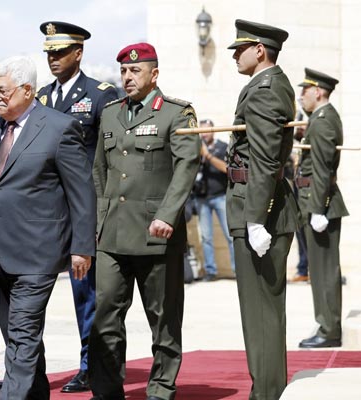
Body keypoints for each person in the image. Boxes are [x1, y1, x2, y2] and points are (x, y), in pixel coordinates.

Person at [0, 55, 95, 400]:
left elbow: (82, 193)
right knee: (16, 335)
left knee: (23, 334)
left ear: (27, 90)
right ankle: (36, 392)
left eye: (3, 91)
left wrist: (82, 247)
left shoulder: (59, 128)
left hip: (39, 251)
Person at [89, 43, 200, 400]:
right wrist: (98, 220)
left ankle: (160, 389)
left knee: (163, 318)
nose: (127, 77)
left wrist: (168, 215)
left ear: (154, 74)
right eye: (123, 71)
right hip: (113, 234)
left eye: (135, 71)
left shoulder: (176, 113)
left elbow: (186, 167)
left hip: (157, 233)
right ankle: (106, 390)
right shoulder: (110, 114)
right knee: (105, 314)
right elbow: (99, 171)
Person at [36, 20, 118, 394]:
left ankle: (90, 366)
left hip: (81, 209)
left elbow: (110, 157)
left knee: (86, 295)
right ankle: (27, 366)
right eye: (49, 53)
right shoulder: (40, 98)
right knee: (28, 292)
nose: (53, 59)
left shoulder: (100, 95)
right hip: (43, 212)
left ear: (78, 53)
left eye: (60, 52)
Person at [226, 20, 299, 400]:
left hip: (259, 210)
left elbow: (266, 160)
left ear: (260, 50)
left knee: (261, 312)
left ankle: (267, 393)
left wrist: (254, 219)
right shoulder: (266, 86)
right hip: (256, 205)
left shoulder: (265, 90)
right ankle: (267, 389)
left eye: (240, 49)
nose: (234, 55)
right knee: (261, 310)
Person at [295, 68, 348, 348]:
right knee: (319, 269)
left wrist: (317, 209)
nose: (301, 95)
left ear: (318, 92)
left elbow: (323, 169)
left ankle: (329, 330)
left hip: (320, 205)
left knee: (324, 271)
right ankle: (326, 325)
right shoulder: (318, 119)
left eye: (305, 90)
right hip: (314, 201)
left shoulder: (323, 121)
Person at [194, 118, 235, 281]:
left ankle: (236, 270)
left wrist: (208, 156)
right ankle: (210, 271)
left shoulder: (222, 147)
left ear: (213, 131)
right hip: (202, 198)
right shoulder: (196, 149)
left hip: (220, 196)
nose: (205, 134)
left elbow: (227, 168)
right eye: (202, 131)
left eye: (207, 130)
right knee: (206, 237)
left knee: (230, 236)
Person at [290, 112, 309, 283]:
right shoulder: (293, 142)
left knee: (309, 231)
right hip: (295, 189)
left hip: (307, 192)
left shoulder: (308, 141)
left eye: (302, 124)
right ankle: (303, 268)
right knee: (300, 231)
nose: (300, 128)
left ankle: (309, 267)